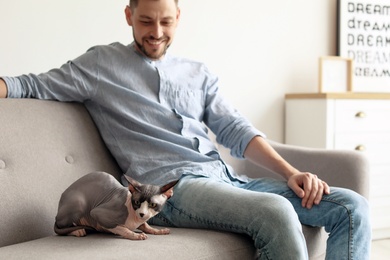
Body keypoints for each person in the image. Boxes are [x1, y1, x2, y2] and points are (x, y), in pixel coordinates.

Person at [0, 0, 371, 259]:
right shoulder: (100, 65)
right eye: (145, 21)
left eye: (165, 21)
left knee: (351, 207)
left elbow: (236, 129)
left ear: (178, 16)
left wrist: (292, 173)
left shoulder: (198, 73)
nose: (156, 32)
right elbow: (35, 83)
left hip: (228, 180)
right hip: (174, 189)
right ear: (129, 16)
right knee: (274, 212)